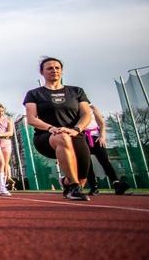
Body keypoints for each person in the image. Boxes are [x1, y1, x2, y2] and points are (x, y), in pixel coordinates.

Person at [24, 57, 92, 201]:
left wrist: (76, 129)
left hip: (75, 135)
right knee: (62, 137)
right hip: (46, 137)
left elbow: (86, 114)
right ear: (42, 72)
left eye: (57, 68)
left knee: (82, 180)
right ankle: (73, 187)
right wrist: (52, 128)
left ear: (61, 71)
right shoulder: (34, 94)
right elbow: (31, 118)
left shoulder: (77, 91)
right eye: (49, 68)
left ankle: (68, 182)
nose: (54, 70)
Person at [85, 105, 131, 195]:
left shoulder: (92, 108)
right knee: (87, 164)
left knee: (105, 161)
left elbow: (101, 123)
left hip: (96, 138)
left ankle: (116, 184)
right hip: (82, 138)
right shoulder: (72, 108)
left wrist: (102, 136)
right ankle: (93, 187)